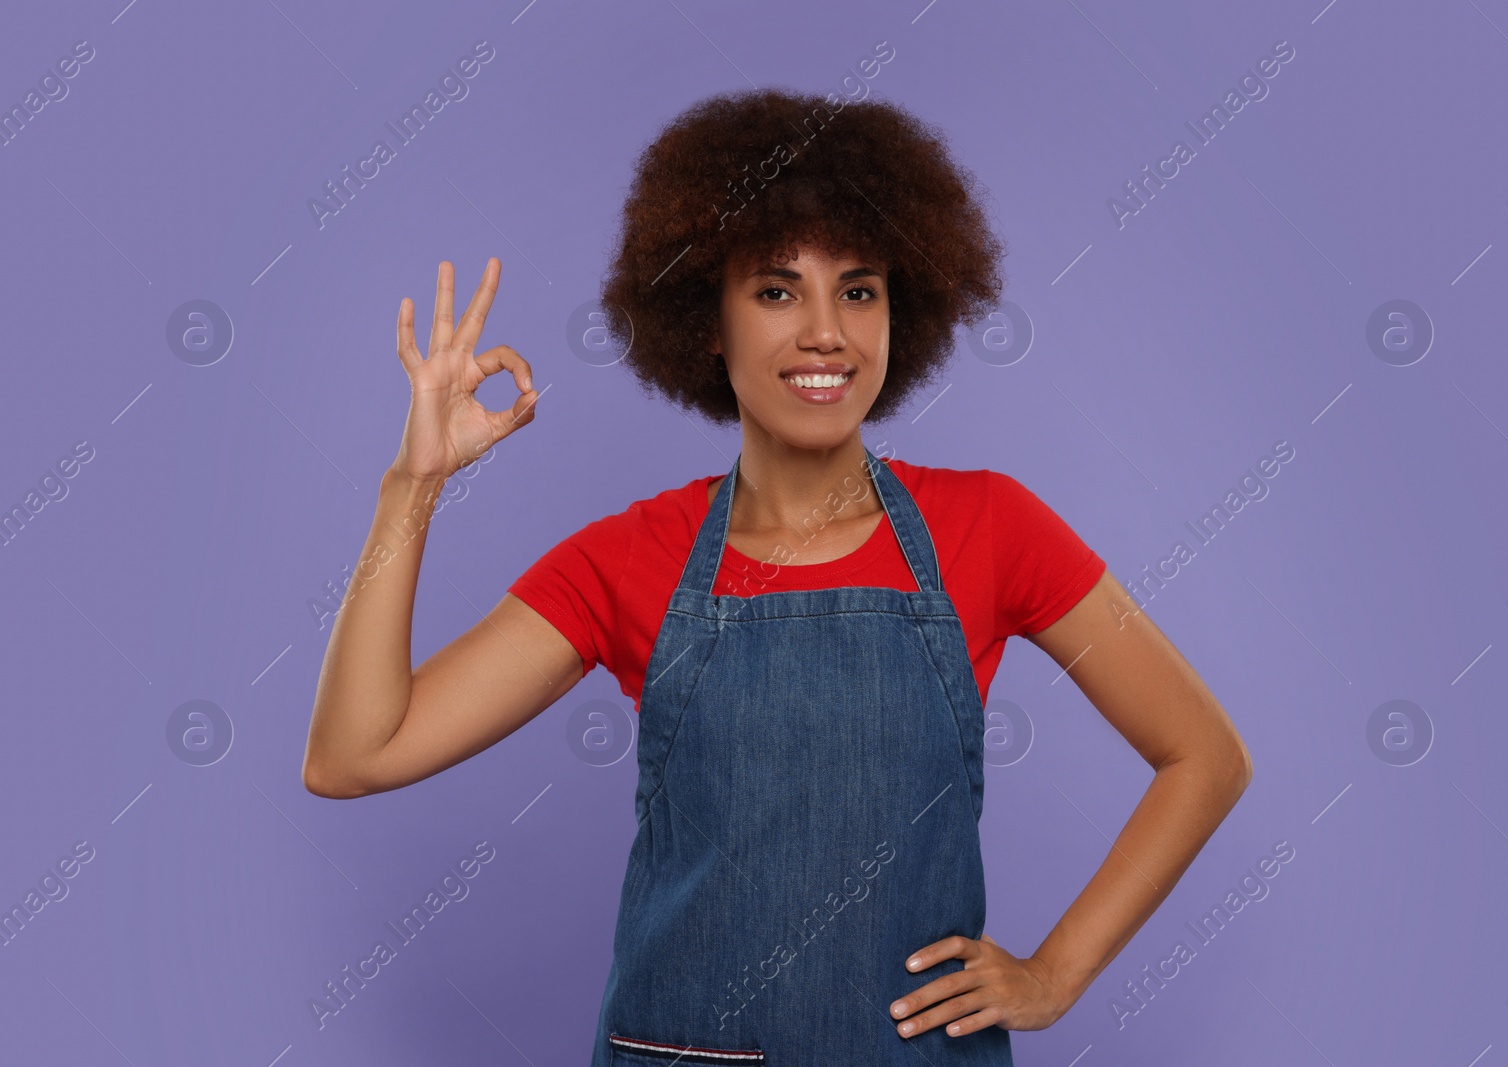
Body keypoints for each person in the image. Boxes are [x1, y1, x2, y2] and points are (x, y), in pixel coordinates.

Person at [302, 88, 1251, 1065]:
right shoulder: (628, 557)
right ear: (705, 322)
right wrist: (411, 485)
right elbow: (353, 754)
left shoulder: (990, 524)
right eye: (774, 289)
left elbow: (1204, 756)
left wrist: (1056, 971)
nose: (824, 333)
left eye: (857, 288)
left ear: (900, 309)